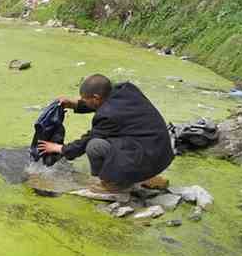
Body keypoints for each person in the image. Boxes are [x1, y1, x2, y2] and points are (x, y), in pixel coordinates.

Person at [37, 74, 173, 193]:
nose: (82, 101)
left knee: (94, 145)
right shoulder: (126, 89)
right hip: (160, 153)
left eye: (84, 100)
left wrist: (60, 148)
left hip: (147, 157)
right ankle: (147, 177)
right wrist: (74, 104)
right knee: (115, 141)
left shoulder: (106, 116)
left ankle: (112, 184)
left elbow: (86, 141)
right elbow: (106, 104)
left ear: (96, 98)